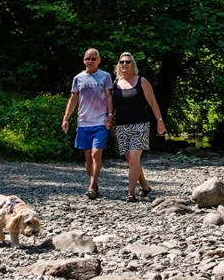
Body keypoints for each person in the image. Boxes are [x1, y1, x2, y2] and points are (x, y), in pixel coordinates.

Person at [61, 48, 114, 199]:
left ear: (99, 60)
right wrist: (66, 118)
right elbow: (73, 99)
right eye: (88, 59)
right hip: (83, 122)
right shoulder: (78, 78)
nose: (90, 61)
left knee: (96, 153)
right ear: (84, 60)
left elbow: (109, 97)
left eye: (93, 58)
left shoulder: (105, 77)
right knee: (87, 156)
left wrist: (110, 115)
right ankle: (94, 184)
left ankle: (91, 186)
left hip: (100, 121)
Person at [112, 52, 165, 202]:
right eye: (122, 61)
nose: (124, 64)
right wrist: (109, 117)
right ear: (119, 65)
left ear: (133, 64)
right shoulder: (115, 84)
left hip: (140, 125)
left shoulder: (142, 81)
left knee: (134, 159)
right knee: (131, 161)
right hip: (122, 126)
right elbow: (112, 106)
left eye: (128, 61)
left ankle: (130, 193)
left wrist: (159, 120)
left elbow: (153, 103)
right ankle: (145, 187)